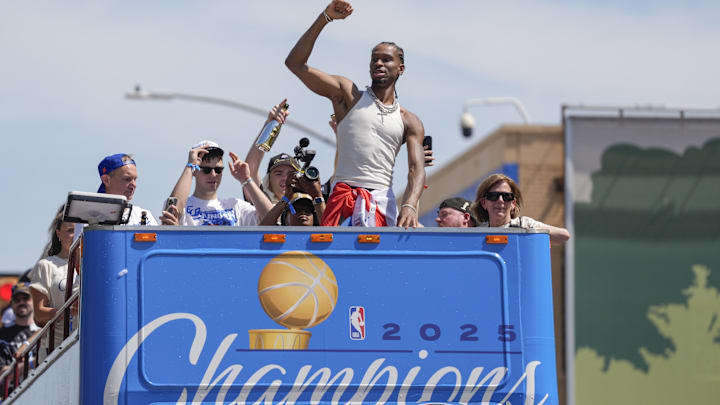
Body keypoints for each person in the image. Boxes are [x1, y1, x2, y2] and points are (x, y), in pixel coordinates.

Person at [285, 0, 426, 228]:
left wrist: (409, 204)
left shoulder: (409, 120)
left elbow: (415, 168)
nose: (378, 63)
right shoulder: (348, 96)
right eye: (374, 59)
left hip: (381, 203)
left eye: (386, 59)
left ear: (401, 68)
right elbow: (295, 64)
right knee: (337, 261)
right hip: (343, 198)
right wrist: (325, 18)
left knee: (377, 262)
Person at [160, 141, 272, 226]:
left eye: (218, 170)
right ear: (194, 171)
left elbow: (272, 218)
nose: (213, 174)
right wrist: (190, 166)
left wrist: (246, 180)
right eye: (206, 170)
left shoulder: (236, 205)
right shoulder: (185, 205)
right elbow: (172, 211)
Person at [471, 174, 571, 245]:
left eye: (507, 196)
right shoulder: (478, 232)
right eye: (493, 196)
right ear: (484, 203)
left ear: (513, 204)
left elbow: (564, 236)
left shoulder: (524, 224)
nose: (500, 200)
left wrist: (530, 232)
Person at [244, 100, 294, 206]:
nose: (285, 178)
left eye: (290, 174)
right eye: (278, 173)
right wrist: (271, 124)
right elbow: (250, 169)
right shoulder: (262, 200)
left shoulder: (312, 203)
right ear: (268, 181)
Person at [260, 171, 326, 226]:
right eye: (297, 209)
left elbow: (330, 230)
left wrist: (318, 195)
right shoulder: (280, 237)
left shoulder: (321, 237)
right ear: (285, 219)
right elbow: (261, 231)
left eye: (308, 210)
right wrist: (286, 197)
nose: (303, 212)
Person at [0, 284, 39, 371]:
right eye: (17, 300)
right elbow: (2, 372)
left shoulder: (45, 330)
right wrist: (34, 363)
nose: (21, 302)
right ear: (11, 304)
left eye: (26, 298)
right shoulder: (2, 335)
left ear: (34, 301)